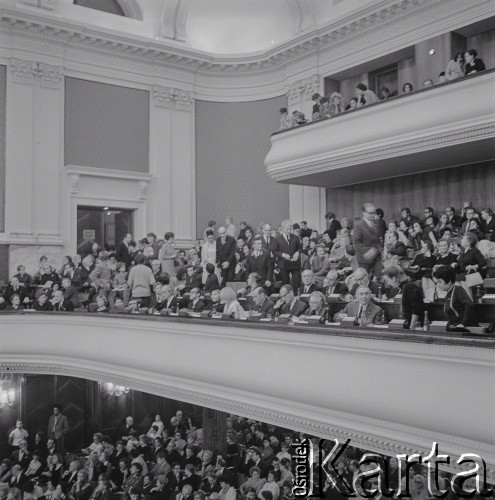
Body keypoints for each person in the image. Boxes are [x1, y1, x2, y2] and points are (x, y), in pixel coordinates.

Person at [382, 265, 424, 329]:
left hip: (414, 326)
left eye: (387, 280)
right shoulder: (404, 287)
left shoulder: (410, 286)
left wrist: (411, 328)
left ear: (394, 278)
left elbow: (416, 309)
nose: (388, 283)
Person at [353, 203, 382, 277]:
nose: (373, 215)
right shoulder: (358, 225)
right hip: (364, 259)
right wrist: (370, 250)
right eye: (371, 213)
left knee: (378, 278)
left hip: (377, 257)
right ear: (364, 213)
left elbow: (378, 240)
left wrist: (379, 249)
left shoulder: (377, 223)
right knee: (364, 279)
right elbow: (357, 243)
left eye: (374, 213)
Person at [273, 220, 302, 289]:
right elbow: (274, 251)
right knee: (285, 282)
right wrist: (283, 254)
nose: (289, 231)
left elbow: (300, 248)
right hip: (283, 263)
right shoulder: (277, 239)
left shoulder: (296, 237)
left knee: (297, 281)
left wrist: (297, 253)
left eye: (290, 229)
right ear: (282, 229)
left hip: (295, 262)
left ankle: (296, 296)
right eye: (287, 229)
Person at [457, 232, 486, 299]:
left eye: (463, 239)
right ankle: (462, 303)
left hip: (472, 274)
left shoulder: (474, 251)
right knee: (456, 279)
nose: (461, 240)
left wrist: (475, 266)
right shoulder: (462, 252)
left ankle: (469, 301)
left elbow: (483, 262)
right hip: (462, 274)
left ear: (469, 242)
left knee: (461, 278)